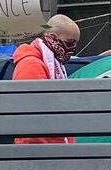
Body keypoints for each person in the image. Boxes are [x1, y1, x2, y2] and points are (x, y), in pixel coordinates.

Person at [12, 14, 79, 144]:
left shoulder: (51, 63)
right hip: (39, 150)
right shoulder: (31, 65)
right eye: (70, 43)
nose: (72, 49)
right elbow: (35, 117)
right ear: (52, 38)